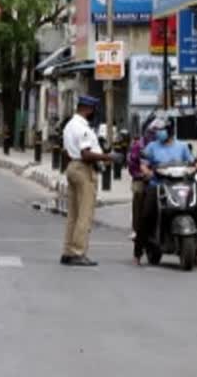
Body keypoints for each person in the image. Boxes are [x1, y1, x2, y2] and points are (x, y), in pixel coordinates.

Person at [60, 95, 115, 267]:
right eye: (93, 110)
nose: (94, 114)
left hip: (72, 167)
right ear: (88, 109)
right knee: (84, 214)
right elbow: (86, 154)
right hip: (83, 169)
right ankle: (78, 252)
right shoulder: (82, 128)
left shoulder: (69, 125)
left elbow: (67, 152)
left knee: (73, 215)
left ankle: (68, 251)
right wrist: (109, 157)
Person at [138, 117, 197, 265]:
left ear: (170, 130)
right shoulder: (152, 146)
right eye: (157, 131)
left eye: (161, 130)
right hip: (158, 185)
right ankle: (138, 250)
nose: (158, 133)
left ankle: (196, 251)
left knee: (196, 208)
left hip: (180, 185)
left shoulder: (183, 146)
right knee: (146, 214)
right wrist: (147, 172)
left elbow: (192, 163)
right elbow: (144, 164)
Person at [126, 122, 155, 264]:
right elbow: (132, 165)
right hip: (142, 179)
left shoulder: (164, 146)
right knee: (139, 194)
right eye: (152, 131)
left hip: (162, 180)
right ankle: (137, 229)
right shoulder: (139, 146)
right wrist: (141, 175)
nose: (154, 134)